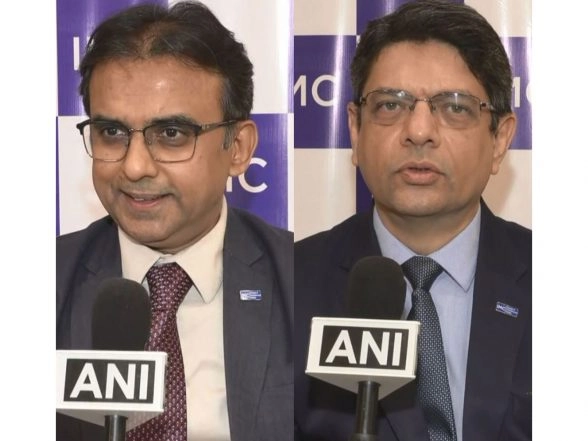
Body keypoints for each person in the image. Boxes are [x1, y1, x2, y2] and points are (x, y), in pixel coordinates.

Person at [294, 1, 531, 441]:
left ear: (500, 139)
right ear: (355, 130)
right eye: (390, 105)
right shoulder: (289, 284)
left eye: (455, 107)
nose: (419, 131)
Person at [56, 2, 293, 441]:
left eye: (171, 134)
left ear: (239, 148)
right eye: (112, 133)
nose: (135, 166)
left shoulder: (303, 277)